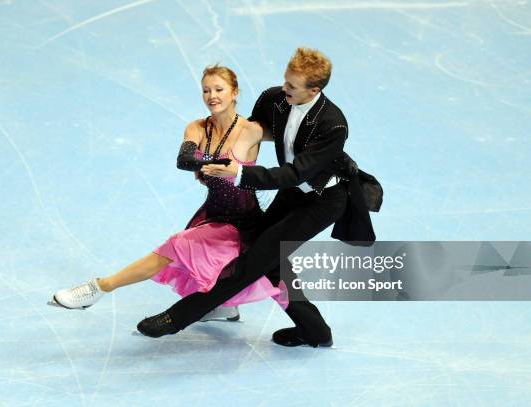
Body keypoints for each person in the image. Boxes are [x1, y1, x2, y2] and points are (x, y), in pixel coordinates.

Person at [136, 47, 376, 347]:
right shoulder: (275, 99)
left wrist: (238, 174)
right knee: (268, 262)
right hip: (292, 193)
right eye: (285, 81)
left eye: (292, 86)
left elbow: (294, 174)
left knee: (255, 260)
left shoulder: (332, 124)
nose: (283, 88)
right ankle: (315, 331)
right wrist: (211, 154)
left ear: (314, 90)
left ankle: (177, 318)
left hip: (322, 199)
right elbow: (245, 132)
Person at [48, 65, 285, 320]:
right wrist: (213, 163)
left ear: (235, 92)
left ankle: (98, 288)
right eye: (206, 90)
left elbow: (291, 135)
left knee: (173, 249)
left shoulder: (251, 130)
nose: (212, 96)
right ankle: (223, 307)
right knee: (197, 261)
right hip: (213, 215)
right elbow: (184, 159)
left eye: (219, 89)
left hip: (243, 223)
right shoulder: (197, 127)